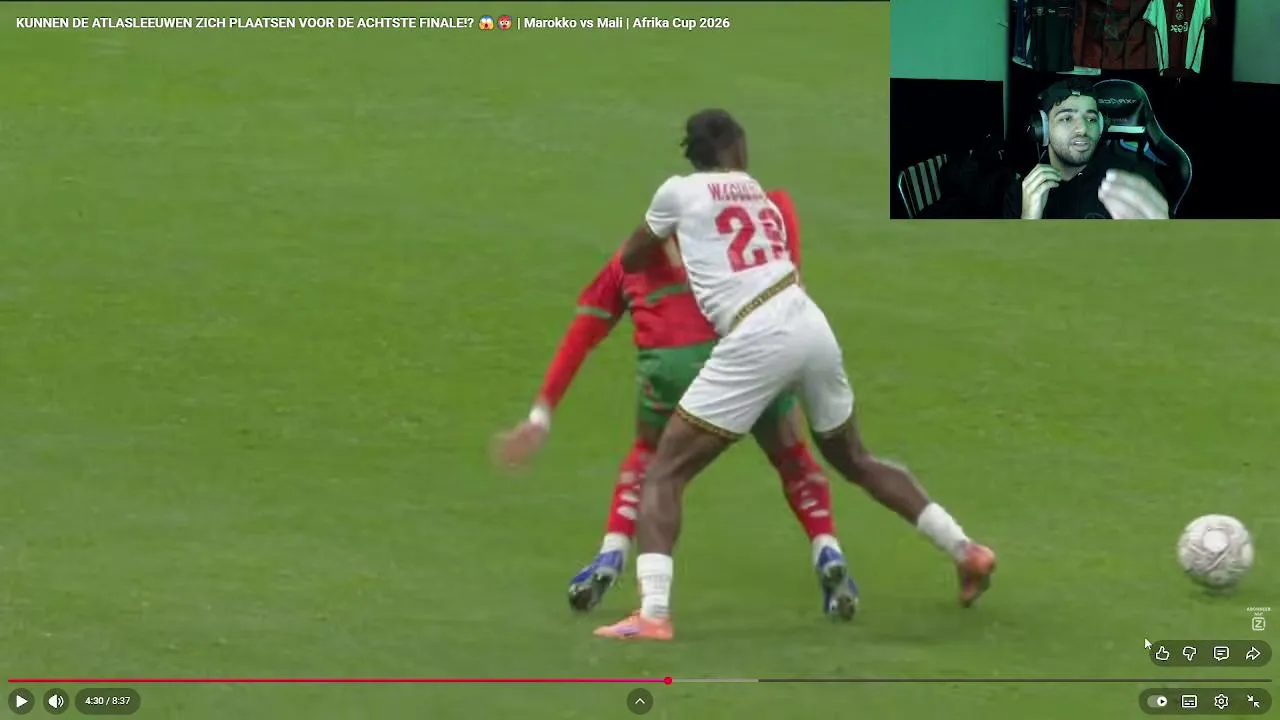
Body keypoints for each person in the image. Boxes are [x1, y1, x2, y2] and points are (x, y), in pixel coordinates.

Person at [595, 109, 996, 641]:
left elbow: (630, 257)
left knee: (664, 473)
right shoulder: (757, 195)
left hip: (755, 334)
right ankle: (966, 551)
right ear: (737, 147)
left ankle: (653, 614)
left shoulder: (678, 192)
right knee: (856, 459)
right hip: (808, 321)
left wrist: (665, 246)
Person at [493, 188, 860, 621]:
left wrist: (541, 415)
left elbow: (583, 332)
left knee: (649, 457)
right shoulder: (727, 247)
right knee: (790, 454)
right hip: (747, 361)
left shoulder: (628, 261)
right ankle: (827, 548)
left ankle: (613, 554)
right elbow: (781, 207)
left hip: (668, 371)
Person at [1005, 79, 1170, 220]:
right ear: (1043, 129)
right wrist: (1029, 218)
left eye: (1091, 119)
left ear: (1101, 127)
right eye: (1067, 118)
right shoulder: (1023, 193)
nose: (1083, 129)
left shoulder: (1135, 182)